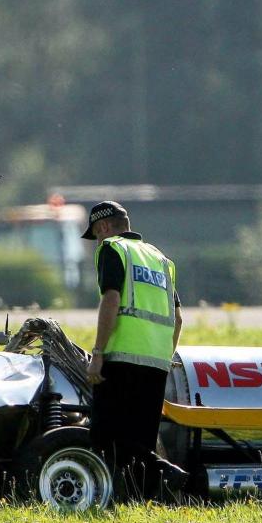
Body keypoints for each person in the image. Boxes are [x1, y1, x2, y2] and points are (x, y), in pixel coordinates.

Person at [82, 200, 187, 501]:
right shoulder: (160, 259)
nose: (96, 243)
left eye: (95, 236)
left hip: (121, 357)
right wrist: (165, 357)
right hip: (156, 361)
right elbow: (178, 317)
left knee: (103, 435)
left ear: (102, 227)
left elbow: (111, 300)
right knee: (141, 440)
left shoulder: (112, 249)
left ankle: (165, 472)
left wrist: (98, 353)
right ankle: (139, 501)